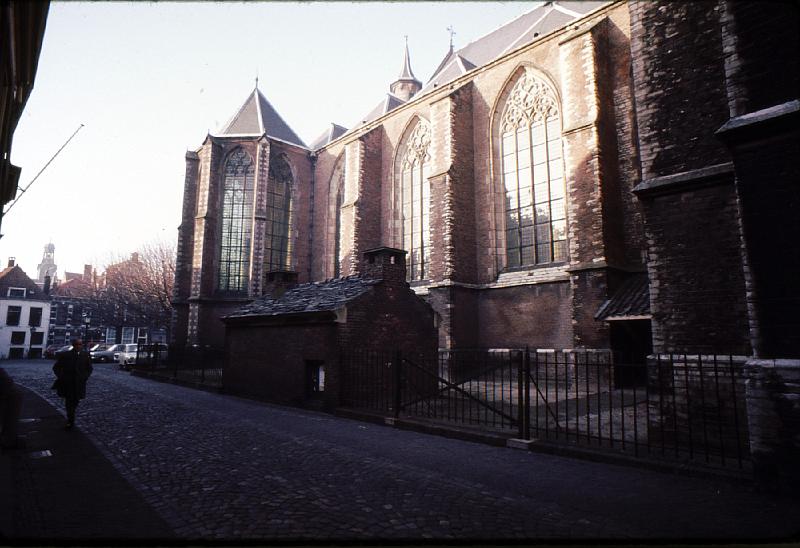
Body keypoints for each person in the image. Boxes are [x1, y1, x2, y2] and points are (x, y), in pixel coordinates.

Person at [52, 338, 93, 429]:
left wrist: (85, 377)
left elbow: (89, 368)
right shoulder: (66, 355)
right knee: (69, 401)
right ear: (73, 345)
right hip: (68, 383)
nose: (79, 346)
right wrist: (62, 377)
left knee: (76, 400)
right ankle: (71, 420)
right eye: (77, 344)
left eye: (80, 344)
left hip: (79, 383)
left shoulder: (85, 355)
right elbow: (56, 367)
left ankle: (71, 415)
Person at [0, 366, 24, 449]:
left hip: (9, 394)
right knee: (9, 418)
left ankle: (9, 440)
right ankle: (9, 439)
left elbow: (6, 382)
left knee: (9, 418)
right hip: (10, 392)